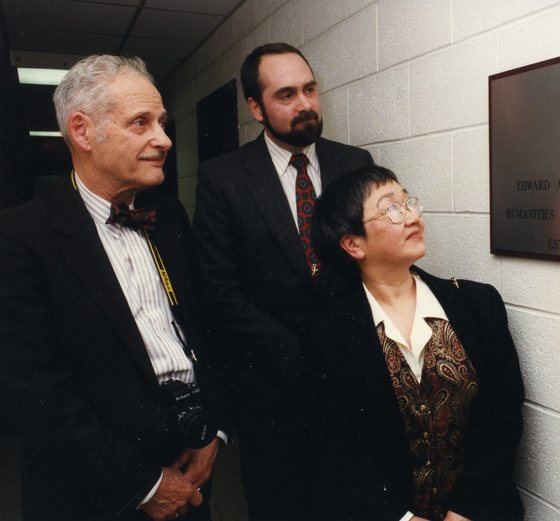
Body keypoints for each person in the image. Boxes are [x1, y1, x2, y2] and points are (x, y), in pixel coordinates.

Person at [0, 55, 225, 521]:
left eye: (161, 123)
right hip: (98, 488)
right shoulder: (20, 237)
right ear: (82, 132)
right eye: (141, 122)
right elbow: (34, 391)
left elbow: (204, 331)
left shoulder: (170, 217)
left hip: (190, 460)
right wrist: (143, 485)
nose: (163, 139)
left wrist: (213, 436)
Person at [192, 43, 373, 519]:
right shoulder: (223, 177)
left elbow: (370, 260)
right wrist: (296, 352)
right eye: (286, 95)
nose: (305, 104)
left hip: (348, 382)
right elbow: (218, 289)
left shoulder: (355, 163)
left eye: (310, 89)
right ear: (256, 107)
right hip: (271, 389)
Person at [308, 165, 525, 521]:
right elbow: (333, 444)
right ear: (353, 244)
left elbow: (502, 415)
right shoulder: (326, 330)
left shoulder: (477, 304)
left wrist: (467, 508)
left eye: (409, 203)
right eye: (392, 208)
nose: (411, 216)